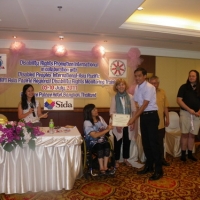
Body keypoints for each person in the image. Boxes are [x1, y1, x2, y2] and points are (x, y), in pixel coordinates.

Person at [128, 67, 163, 181]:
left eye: (139, 76)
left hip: (152, 116)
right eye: (136, 76)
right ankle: (149, 166)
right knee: (146, 143)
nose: (137, 78)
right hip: (144, 117)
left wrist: (133, 118)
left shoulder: (150, 87)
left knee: (153, 143)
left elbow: (144, 104)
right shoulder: (138, 87)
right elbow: (137, 102)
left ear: (144, 76)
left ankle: (158, 170)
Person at [110, 78, 137, 168]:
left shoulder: (130, 97)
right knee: (117, 142)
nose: (121, 86)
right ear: (116, 87)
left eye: (123, 84)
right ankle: (117, 160)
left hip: (128, 124)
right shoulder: (114, 98)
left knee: (127, 142)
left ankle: (126, 159)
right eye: (119, 85)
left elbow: (134, 110)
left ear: (125, 86)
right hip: (118, 124)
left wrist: (133, 122)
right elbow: (112, 112)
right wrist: (117, 124)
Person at [177, 70, 200, 162]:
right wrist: (189, 109)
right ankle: (183, 154)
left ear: (197, 77)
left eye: (193, 76)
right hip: (185, 113)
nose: (191, 77)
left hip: (197, 115)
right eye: (190, 76)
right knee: (185, 134)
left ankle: (190, 154)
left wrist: (199, 111)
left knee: (192, 135)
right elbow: (179, 100)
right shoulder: (183, 87)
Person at [83, 104, 113, 174]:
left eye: (96, 108)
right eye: (94, 110)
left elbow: (106, 127)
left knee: (107, 144)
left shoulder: (100, 118)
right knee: (99, 146)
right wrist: (107, 130)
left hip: (102, 140)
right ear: (89, 112)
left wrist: (111, 125)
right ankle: (101, 167)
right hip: (92, 142)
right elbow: (94, 136)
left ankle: (105, 166)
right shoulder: (87, 122)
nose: (96, 110)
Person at [149, 76, 170, 166]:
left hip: (160, 123)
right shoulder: (146, 92)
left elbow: (165, 107)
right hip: (150, 123)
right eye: (152, 83)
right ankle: (151, 160)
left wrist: (167, 118)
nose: (154, 85)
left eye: (155, 83)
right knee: (151, 143)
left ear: (158, 83)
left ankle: (161, 159)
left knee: (160, 142)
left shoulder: (162, 92)